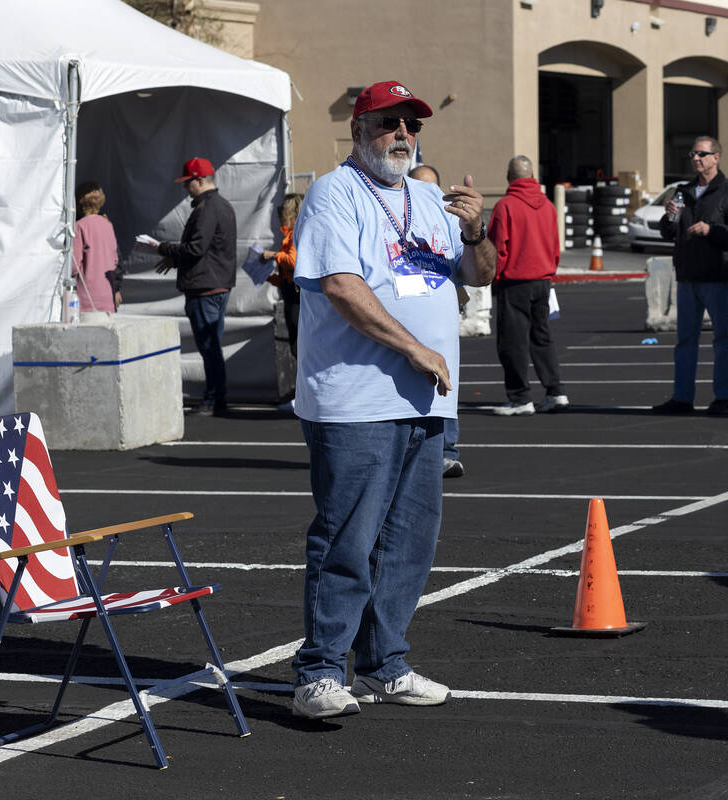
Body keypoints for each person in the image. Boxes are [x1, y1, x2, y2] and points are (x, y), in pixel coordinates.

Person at [289, 80, 495, 719]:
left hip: (427, 403)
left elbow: (481, 272)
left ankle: (386, 664)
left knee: (410, 540)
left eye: (411, 125)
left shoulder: (431, 199)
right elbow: (342, 287)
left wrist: (478, 227)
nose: (402, 135)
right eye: (388, 124)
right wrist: (414, 348)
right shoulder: (335, 193)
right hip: (357, 399)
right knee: (347, 539)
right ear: (359, 129)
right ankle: (319, 673)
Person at [652, 136, 728, 416]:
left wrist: (711, 231)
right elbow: (668, 232)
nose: (696, 159)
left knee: (722, 338)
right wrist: (669, 216)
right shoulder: (682, 191)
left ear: (716, 157)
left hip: (716, 275)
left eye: (701, 154)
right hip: (686, 275)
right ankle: (682, 397)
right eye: (692, 154)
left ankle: (723, 397)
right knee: (685, 340)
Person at [144, 157, 237, 417]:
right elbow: (209, 250)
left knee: (209, 347)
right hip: (217, 285)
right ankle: (216, 397)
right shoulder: (222, 206)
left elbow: (197, 247)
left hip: (204, 287)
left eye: (188, 183)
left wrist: (161, 247)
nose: (186, 189)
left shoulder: (207, 208)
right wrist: (174, 258)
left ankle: (214, 398)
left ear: (200, 180)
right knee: (212, 346)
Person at [488, 155, 567, 416]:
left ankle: (520, 397)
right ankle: (555, 392)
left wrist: (493, 278)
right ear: (532, 176)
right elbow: (555, 246)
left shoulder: (506, 206)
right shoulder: (547, 205)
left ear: (509, 176)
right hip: (542, 281)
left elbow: (498, 249)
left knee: (513, 342)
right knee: (541, 337)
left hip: (514, 282)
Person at [410, 164, 464, 477]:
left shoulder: (447, 221)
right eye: (418, 186)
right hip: (405, 331)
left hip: (438, 330)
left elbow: (471, 268)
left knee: (446, 384)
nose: (425, 194)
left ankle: (447, 450)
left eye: (431, 188)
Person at [72, 181, 122, 313]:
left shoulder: (79, 226)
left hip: (86, 297)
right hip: (107, 295)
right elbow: (115, 260)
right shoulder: (108, 225)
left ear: (79, 202)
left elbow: (73, 266)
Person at [263, 193, 303, 359]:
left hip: (296, 297)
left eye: (282, 211)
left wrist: (273, 255)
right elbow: (288, 273)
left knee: (297, 345)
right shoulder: (290, 236)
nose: (279, 215)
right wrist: (267, 276)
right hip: (290, 293)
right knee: (295, 344)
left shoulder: (295, 235)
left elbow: (293, 262)